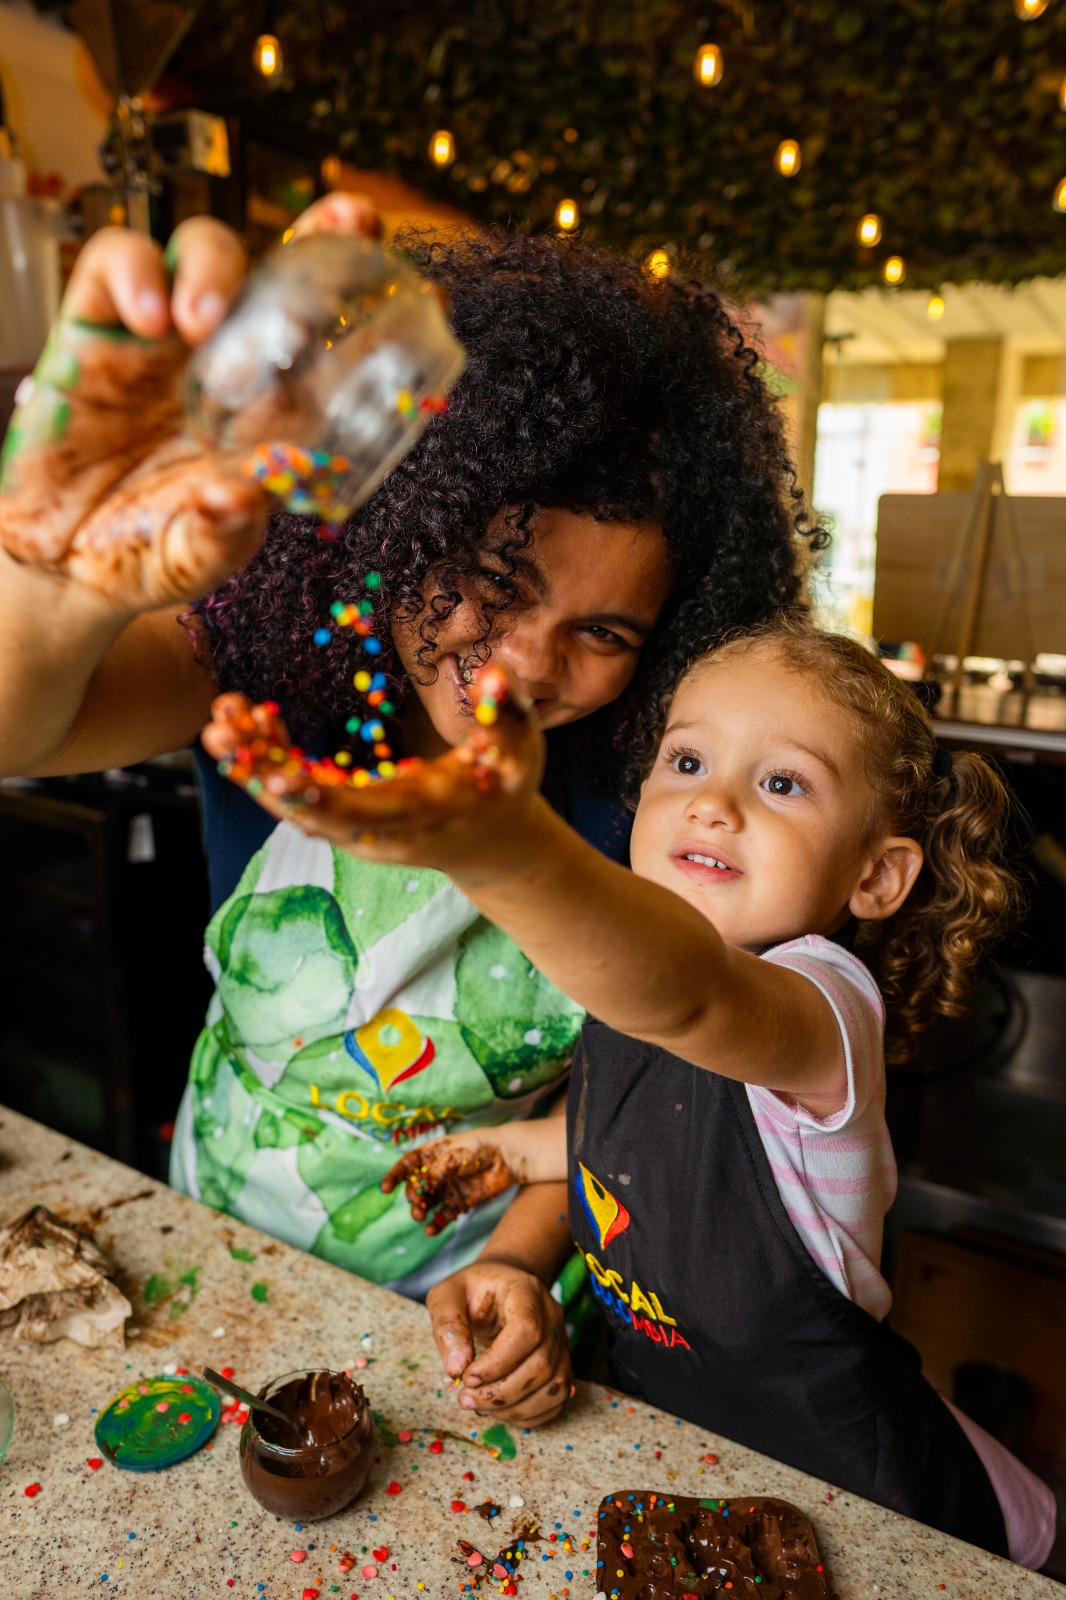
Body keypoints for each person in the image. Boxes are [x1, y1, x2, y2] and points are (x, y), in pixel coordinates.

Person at [0, 195, 822, 1428]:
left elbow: (615, 1109)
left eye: (602, 634)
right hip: (221, 1229)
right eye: (495, 581)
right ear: (408, 518)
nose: (520, 669)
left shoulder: (664, 793)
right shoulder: (282, 656)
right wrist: (55, 589)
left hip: (465, 1313)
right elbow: (25, 725)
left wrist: (516, 1264)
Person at [202, 616, 1054, 1566]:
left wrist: (500, 847)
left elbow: (691, 995)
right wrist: (513, 1209)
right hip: (678, 1442)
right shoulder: (622, 1001)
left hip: (869, 1499)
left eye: (782, 782)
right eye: (687, 761)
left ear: (876, 875)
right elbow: (620, 1145)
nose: (713, 804)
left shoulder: (822, 1015)